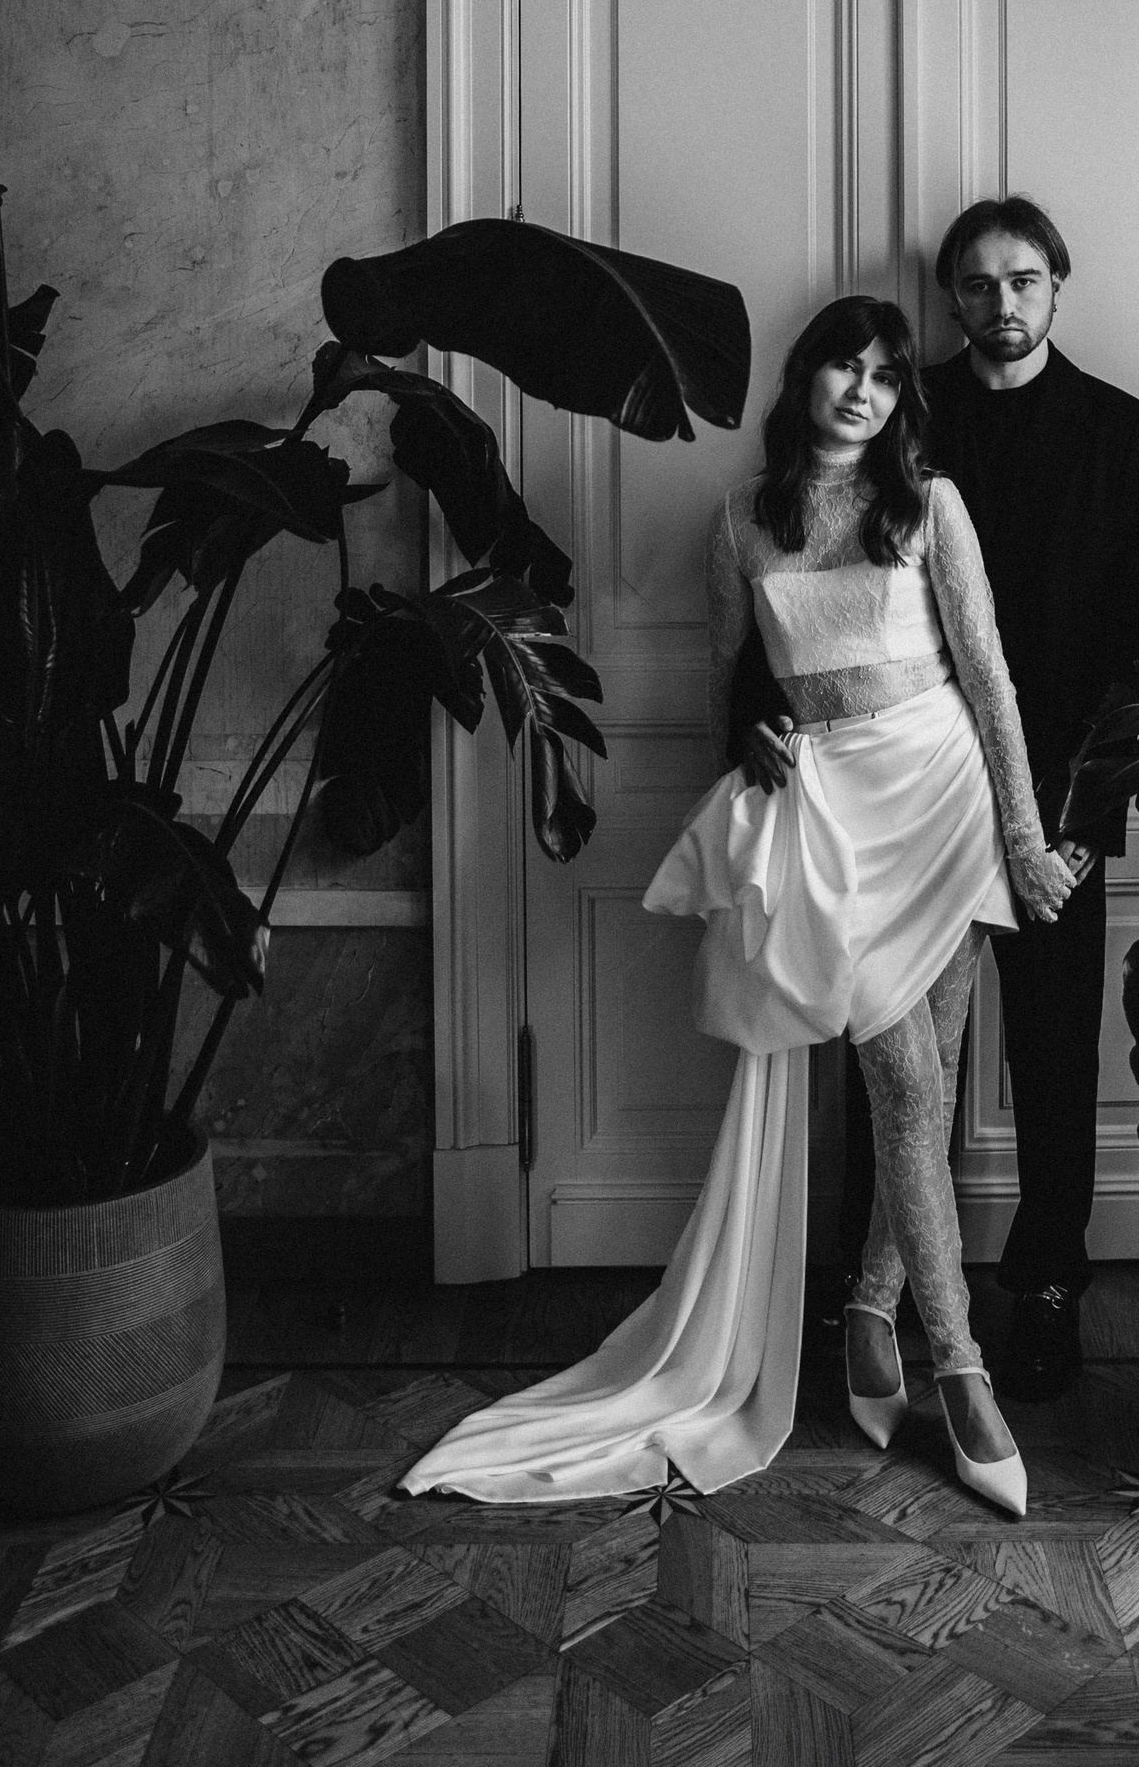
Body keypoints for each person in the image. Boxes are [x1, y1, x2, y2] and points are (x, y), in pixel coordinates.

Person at [403, 294, 1077, 1515]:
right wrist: (750, 728)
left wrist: (1023, 840)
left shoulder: (929, 504)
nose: (862, 391)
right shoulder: (739, 523)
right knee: (908, 1090)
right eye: (842, 367)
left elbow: (990, 676)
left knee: (927, 1087)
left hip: (944, 799)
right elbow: (730, 678)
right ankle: (962, 1371)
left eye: (884, 375)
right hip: (835, 818)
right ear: (804, 377)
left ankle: (870, 1313)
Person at [924, 196, 1139, 1400]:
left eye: (1022, 280)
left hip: (1061, 789)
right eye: (978, 283)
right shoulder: (911, 412)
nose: (1001, 302)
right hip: (918, 783)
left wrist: (1081, 815)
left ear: (1057, 286)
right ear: (952, 297)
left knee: (1057, 1053)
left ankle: (1051, 1290)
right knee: (902, 1054)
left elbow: (1124, 629)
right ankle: (889, 1288)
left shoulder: (1115, 426)